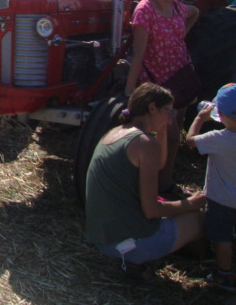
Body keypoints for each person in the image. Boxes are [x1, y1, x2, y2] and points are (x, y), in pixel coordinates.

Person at [85, 84, 206, 280]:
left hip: (103, 237)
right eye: (168, 112)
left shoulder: (118, 131)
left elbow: (158, 165)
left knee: (181, 209)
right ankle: (210, 271)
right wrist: (191, 203)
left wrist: (163, 130)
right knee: (202, 219)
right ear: (151, 108)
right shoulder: (144, 144)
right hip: (127, 244)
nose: (170, 118)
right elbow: (152, 210)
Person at [125, 0, 200, 198]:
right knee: (170, 135)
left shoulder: (179, 8)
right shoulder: (145, 10)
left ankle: (164, 182)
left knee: (175, 133)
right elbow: (138, 53)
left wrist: (180, 36)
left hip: (180, 75)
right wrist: (129, 91)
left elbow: (196, 12)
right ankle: (160, 186)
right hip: (159, 82)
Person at [186, 83, 236, 291]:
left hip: (222, 200)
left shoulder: (219, 139)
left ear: (221, 115)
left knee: (222, 238)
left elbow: (190, 141)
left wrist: (199, 119)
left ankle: (224, 275)